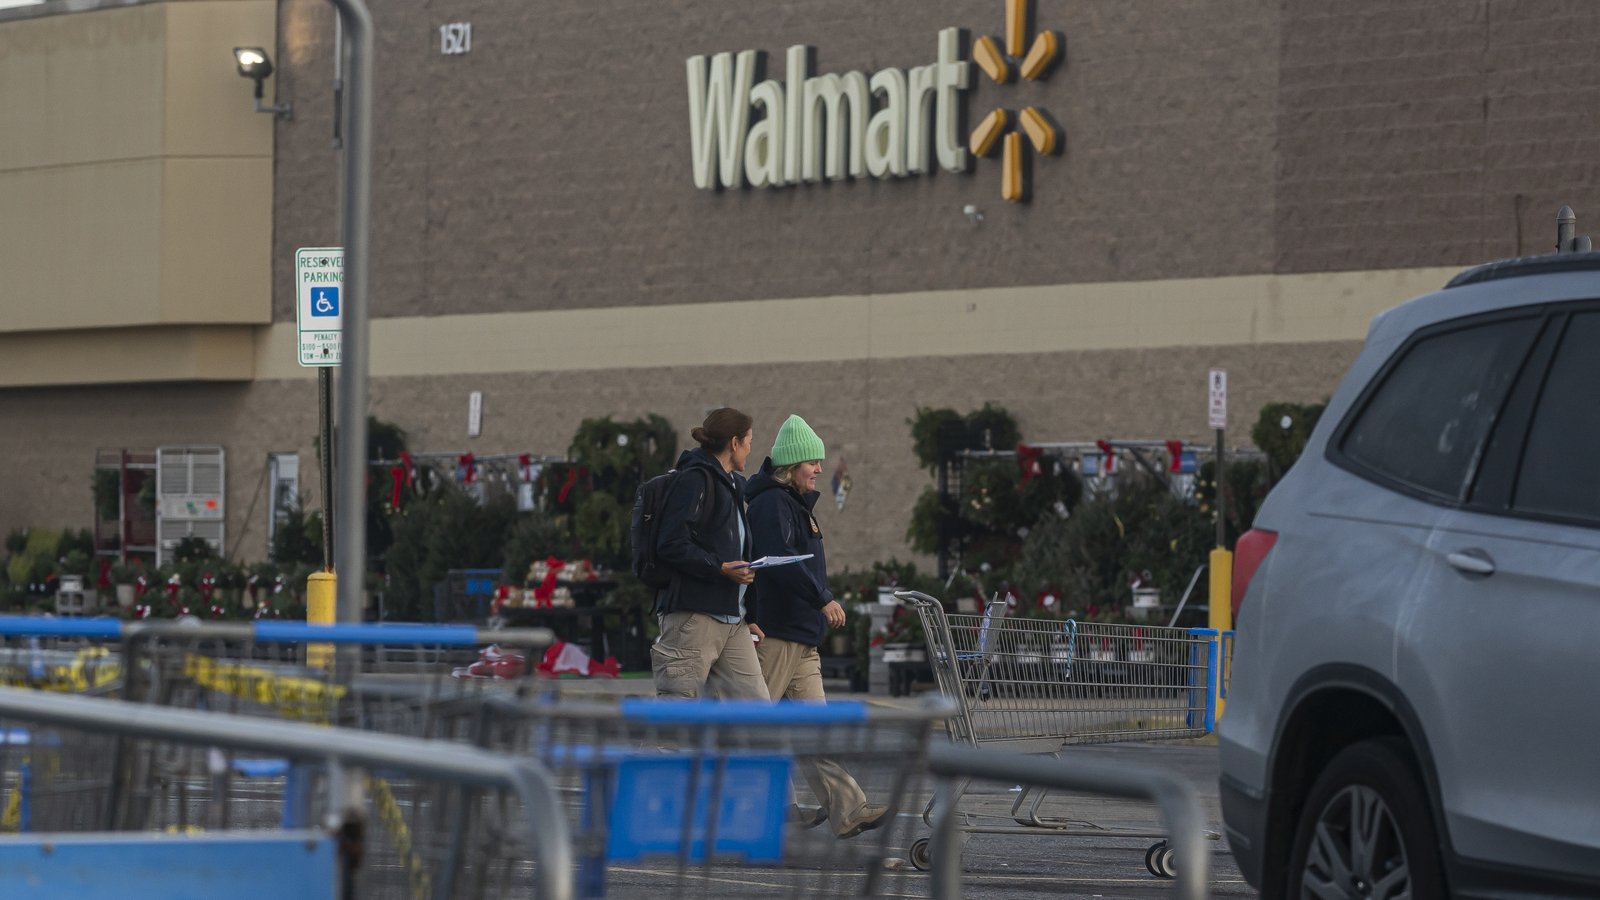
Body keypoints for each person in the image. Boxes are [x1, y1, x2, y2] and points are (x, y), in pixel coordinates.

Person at [745, 414, 888, 839]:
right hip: (777, 635)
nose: (820, 470)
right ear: (792, 466)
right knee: (752, 729)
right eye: (812, 462)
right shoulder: (772, 505)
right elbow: (781, 562)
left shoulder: (793, 505)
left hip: (801, 637)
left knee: (816, 732)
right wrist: (822, 598)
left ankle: (849, 810)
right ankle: (757, 813)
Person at [649, 407, 769, 700]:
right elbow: (671, 543)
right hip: (694, 618)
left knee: (756, 712)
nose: (750, 449)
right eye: (749, 442)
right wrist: (720, 567)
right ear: (734, 443)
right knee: (678, 713)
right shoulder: (694, 480)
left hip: (733, 621)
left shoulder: (732, 485)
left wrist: (749, 614)